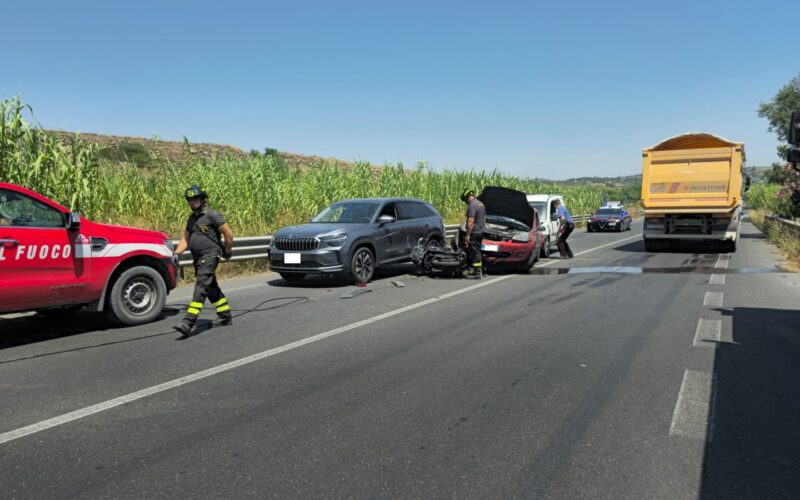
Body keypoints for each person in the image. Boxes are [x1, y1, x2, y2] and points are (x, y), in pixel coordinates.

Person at [173, 185, 234, 336]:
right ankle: (225, 316)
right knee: (210, 287)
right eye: (190, 200)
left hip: (210, 256)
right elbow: (186, 239)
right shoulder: (191, 219)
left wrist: (227, 251)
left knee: (201, 286)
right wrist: (176, 253)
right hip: (198, 259)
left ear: (202, 199)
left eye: (196, 199)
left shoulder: (212, 215)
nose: (193, 202)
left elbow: (228, 234)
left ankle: (188, 322)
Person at [460, 188, 486, 279]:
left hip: (474, 232)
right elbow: (484, 218)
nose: (465, 203)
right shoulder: (481, 204)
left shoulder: (472, 206)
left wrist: (467, 235)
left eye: (465, 200)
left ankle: (477, 273)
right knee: (478, 251)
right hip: (481, 231)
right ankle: (481, 270)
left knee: (475, 252)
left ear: (467, 197)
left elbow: (470, 221)